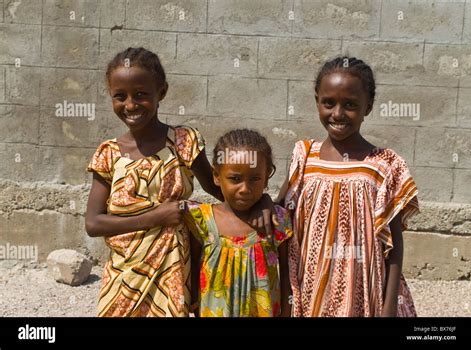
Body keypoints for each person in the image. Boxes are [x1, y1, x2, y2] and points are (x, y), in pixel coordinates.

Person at [85, 48, 274, 317]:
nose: (130, 105)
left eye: (141, 94)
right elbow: (94, 224)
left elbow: (222, 189)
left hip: (172, 271)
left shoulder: (183, 142)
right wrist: (156, 216)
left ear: (161, 92)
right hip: (124, 275)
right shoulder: (108, 154)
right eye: (120, 96)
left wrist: (263, 200)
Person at [277, 57, 418, 317]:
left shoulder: (385, 165)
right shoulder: (304, 157)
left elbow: (395, 244)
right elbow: (280, 215)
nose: (338, 114)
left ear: (369, 106)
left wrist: (388, 307)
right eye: (328, 103)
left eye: (350, 105)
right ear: (317, 101)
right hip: (312, 289)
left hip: (364, 291)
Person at [183, 129, 292, 317]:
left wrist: (286, 312)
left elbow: (287, 275)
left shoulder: (277, 221)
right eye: (235, 179)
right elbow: (191, 270)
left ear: (267, 177)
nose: (245, 189)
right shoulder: (201, 220)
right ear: (216, 176)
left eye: (255, 179)